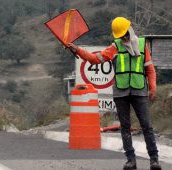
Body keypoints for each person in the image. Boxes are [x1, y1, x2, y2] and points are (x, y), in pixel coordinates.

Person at [68, 17, 160, 170]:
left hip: (139, 91)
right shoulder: (114, 47)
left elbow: (150, 69)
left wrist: (153, 88)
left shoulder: (143, 45)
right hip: (121, 92)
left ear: (130, 30)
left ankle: (154, 160)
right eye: (121, 35)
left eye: (125, 34)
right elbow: (94, 59)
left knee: (147, 126)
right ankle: (131, 160)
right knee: (125, 126)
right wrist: (77, 50)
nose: (124, 38)